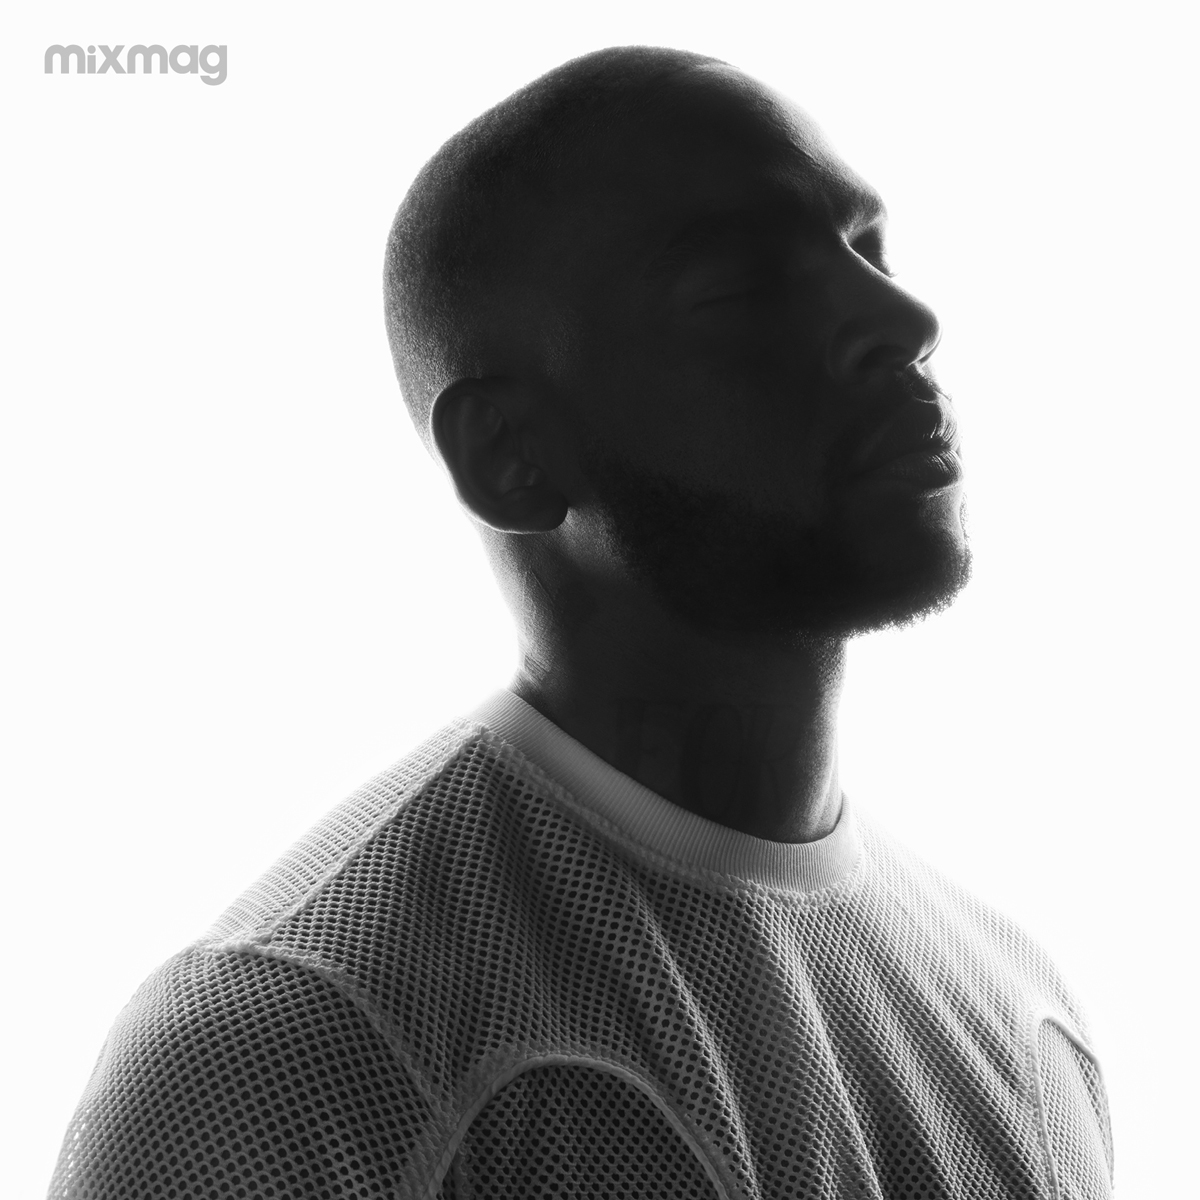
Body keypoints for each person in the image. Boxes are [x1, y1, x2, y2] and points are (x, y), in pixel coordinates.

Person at [49, 46, 1115, 1199]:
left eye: (869, 249)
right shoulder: (291, 1052)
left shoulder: (1029, 1020)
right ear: (511, 454)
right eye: (744, 290)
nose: (904, 318)